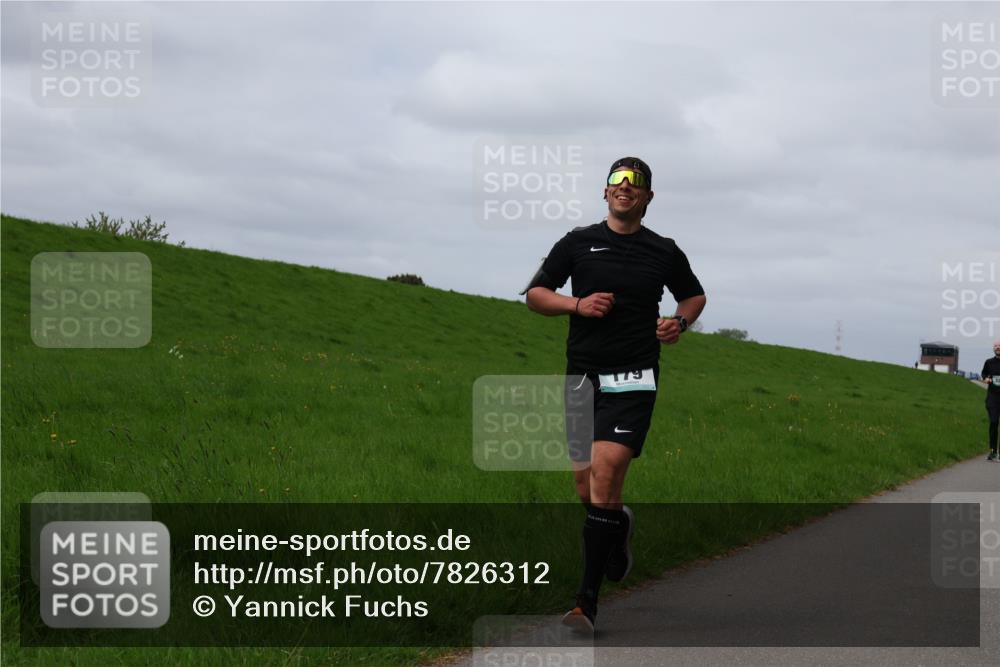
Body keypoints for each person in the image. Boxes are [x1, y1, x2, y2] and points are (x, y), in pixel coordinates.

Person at [523, 157, 707, 633]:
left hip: (635, 377)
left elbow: (694, 296)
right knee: (586, 488)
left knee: (604, 474)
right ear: (605, 193)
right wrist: (577, 304)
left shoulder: (663, 250)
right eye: (617, 181)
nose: (626, 187)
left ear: (647, 197)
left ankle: (585, 603)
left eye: (636, 182)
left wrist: (679, 322)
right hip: (582, 376)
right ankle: (619, 527)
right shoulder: (577, 242)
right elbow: (536, 294)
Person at [982, 340, 1000, 461]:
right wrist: (986, 378)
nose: (998, 348)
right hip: (993, 398)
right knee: (993, 423)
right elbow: (984, 374)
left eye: (999, 346)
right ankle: (993, 451)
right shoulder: (989, 362)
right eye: (996, 346)